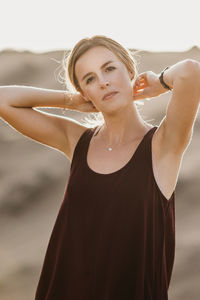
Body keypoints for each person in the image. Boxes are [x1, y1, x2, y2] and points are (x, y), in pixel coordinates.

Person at [0, 35, 200, 300]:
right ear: (85, 92)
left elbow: (191, 71)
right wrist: (71, 101)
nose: (103, 81)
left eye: (109, 68)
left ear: (130, 71)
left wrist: (158, 83)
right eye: (90, 79)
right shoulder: (77, 141)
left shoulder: (162, 147)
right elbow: (4, 100)